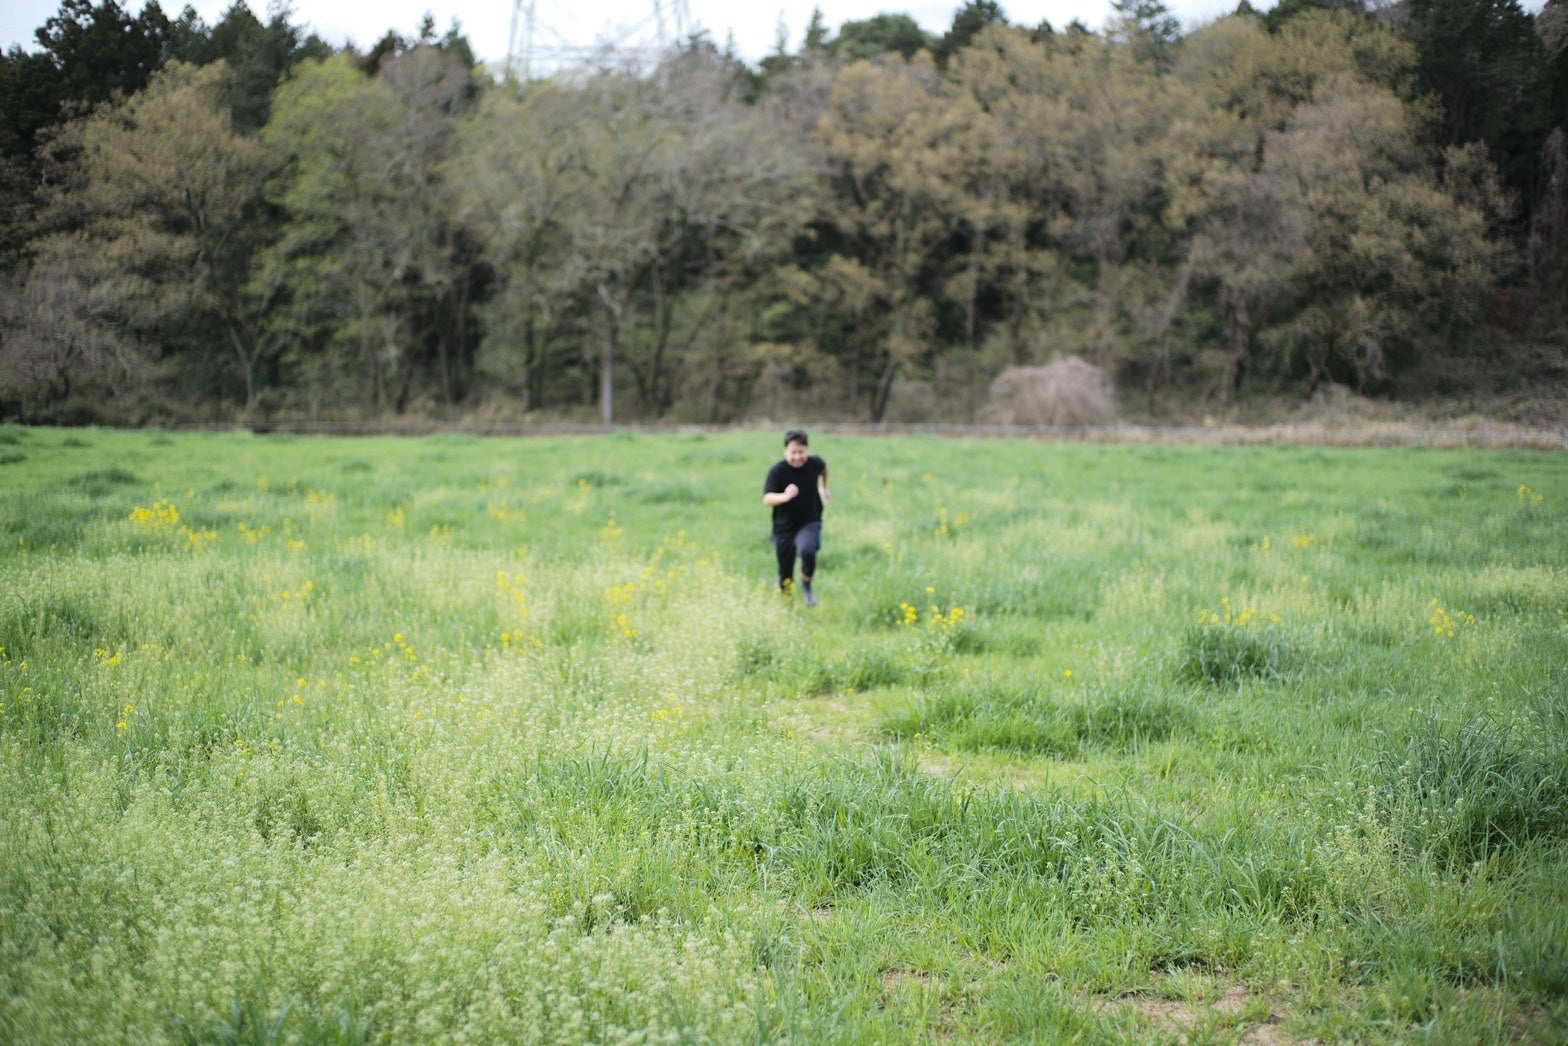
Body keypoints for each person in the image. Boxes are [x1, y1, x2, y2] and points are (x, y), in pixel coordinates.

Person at [762, 429, 830, 606]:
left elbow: (824, 469)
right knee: (785, 574)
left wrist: (824, 488)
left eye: (801, 452)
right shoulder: (777, 472)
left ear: (807, 450)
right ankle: (787, 606)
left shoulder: (814, 464)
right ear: (785, 451)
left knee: (808, 550)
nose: (797, 456)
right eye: (793, 452)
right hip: (783, 527)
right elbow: (767, 499)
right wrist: (784, 496)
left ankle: (806, 585)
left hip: (810, 520)